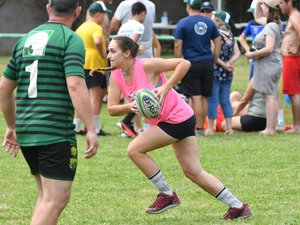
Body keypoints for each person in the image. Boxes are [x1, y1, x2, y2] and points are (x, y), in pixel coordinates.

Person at [105, 35, 251, 219]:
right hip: (176, 120)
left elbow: (184, 63)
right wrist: (130, 106)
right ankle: (237, 207)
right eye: (108, 51)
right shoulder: (116, 75)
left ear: (127, 53)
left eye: (112, 51)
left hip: (178, 119)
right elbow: (111, 109)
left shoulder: (146, 65)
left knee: (134, 149)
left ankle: (166, 194)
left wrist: (166, 87)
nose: (109, 55)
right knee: (193, 171)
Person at [0, 1, 99, 224]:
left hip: (27, 130)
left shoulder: (25, 39)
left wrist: (12, 125)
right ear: (77, 11)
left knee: (46, 197)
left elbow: (3, 89)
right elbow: (75, 84)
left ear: (48, 8)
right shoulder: (70, 39)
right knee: (55, 200)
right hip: (54, 131)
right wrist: (91, 128)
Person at [174, 0, 221, 136]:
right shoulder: (209, 22)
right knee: (204, 97)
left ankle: (198, 128)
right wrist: (215, 59)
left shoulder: (183, 22)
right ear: (200, 8)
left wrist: (178, 63)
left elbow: (178, 45)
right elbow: (218, 42)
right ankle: (202, 128)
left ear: (188, 7)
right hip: (207, 63)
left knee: (195, 97)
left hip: (191, 63)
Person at [110, 0, 156, 137]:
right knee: (143, 94)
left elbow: (118, 42)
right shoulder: (139, 26)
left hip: (120, 62)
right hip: (132, 63)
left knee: (128, 94)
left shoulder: (124, 26)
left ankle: (131, 126)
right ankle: (133, 124)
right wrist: (137, 51)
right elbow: (132, 44)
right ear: (142, 14)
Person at [74, 1, 112, 136]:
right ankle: (95, 128)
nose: (104, 18)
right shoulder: (96, 27)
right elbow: (96, 40)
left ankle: (76, 126)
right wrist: (102, 51)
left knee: (80, 95)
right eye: (103, 15)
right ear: (98, 14)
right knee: (96, 96)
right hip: (95, 64)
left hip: (81, 62)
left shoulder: (80, 27)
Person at [245, 0, 282, 135]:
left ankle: (269, 128)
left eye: (263, 5)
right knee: (271, 95)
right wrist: (259, 2)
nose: (260, 7)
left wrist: (252, 54)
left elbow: (269, 48)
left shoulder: (271, 26)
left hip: (268, 64)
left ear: (269, 8)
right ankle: (273, 126)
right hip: (269, 64)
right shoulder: (272, 23)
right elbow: (257, 17)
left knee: (269, 96)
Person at [205, 10, 241, 136]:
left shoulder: (216, 35)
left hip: (216, 71)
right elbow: (238, 53)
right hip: (228, 73)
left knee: (213, 99)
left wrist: (223, 64)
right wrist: (229, 64)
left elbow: (213, 53)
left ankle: (210, 127)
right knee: (225, 99)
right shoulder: (230, 35)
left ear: (219, 21)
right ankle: (229, 128)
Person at [279, 0, 300, 133]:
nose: (280, 6)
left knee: (293, 93)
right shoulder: (296, 16)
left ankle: (297, 126)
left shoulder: (294, 16)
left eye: (281, 2)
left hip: (292, 58)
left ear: (289, 2)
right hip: (291, 58)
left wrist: (296, 49)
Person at [239, 0, 264, 80]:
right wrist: (248, 50)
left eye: (255, 11)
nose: (254, 14)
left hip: (266, 55)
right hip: (254, 55)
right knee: (253, 79)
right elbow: (241, 38)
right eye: (253, 12)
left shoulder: (270, 23)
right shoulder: (252, 23)